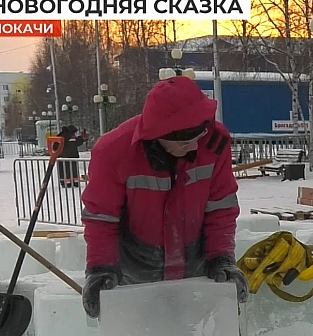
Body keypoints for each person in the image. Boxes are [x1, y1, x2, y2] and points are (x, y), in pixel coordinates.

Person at [80, 75, 248, 318]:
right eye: (184, 143)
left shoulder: (214, 143)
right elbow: (101, 218)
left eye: (198, 138)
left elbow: (221, 209)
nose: (193, 148)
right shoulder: (112, 152)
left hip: (195, 265)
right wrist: (100, 269)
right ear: (157, 135)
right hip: (136, 270)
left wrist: (221, 259)